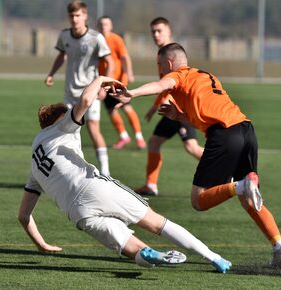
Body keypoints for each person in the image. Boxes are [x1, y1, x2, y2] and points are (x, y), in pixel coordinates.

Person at [18, 75, 232, 273]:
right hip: (92, 187)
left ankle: (148, 254)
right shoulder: (61, 128)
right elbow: (84, 101)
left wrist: (42, 245)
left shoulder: (35, 163)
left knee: (130, 247)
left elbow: (24, 216)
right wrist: (100, 79)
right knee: (158, 223)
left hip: (78, 213)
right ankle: (214, 258)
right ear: (58, 119)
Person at [113, 43, 281, 269]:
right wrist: (181, 117)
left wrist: (132, 93)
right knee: (250, 199)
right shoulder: (206, 76)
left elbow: (162, 84)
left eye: (160, 65)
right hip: (246, 130)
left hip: (225, 134)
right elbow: (209, 115)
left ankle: (241, 185)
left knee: (199, 200)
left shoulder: (178, 75)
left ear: (169, 64)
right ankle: (280, 248)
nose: (160, 70)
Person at [134, 17, 203, 196]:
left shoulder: (172, 54)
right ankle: (151, 185)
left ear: (169, 32)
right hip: (171, 108)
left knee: (191, 147)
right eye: (153, 32)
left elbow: (174, 83)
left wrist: (162, 101)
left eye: (159, 31)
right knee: (155, 142)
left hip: (179, 109)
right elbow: (163, 84)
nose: (156, 35)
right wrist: (154, 106)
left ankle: (227, 168)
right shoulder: (163, 53)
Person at [44, 1, 113, 176]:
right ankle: (69, 170)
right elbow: (61, 56)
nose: (75, 19)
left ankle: (105, 171)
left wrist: (104, 87)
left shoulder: (96, 38)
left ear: (85, 16)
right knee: (68, 130)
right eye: (72, 16)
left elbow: (109, 62)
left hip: (90, 93)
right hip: (70, 93)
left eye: (78, 15)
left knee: (93, 128)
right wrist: (51, 73)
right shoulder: (64, 35)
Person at [97, 15, 146, 150]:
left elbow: (125, 57)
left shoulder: (115, 39)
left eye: (106, 24)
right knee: (111, 110)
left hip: (118, 80)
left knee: (126, 107)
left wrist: (129, 72)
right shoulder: (96, 40)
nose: (103, 26)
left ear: (111, 26)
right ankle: (124, 136)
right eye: (101, 24)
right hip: (104, 82)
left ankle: (139, 137)